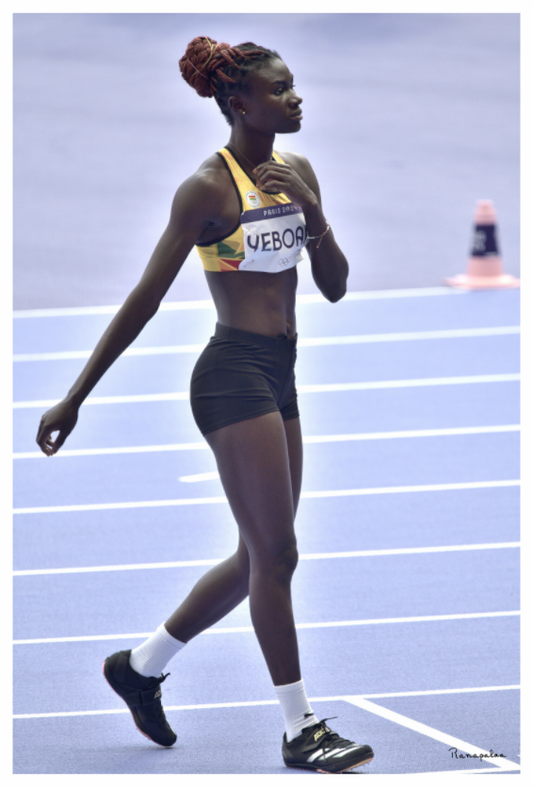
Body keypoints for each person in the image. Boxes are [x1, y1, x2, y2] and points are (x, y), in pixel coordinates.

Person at [36, 36, 374, 774]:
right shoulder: (206, 191)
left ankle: (142, 664)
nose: (295, 98)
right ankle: (301, 729)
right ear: (239, 103)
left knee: (260, 552)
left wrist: (312, 210)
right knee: (277, 553)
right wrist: (74, 396)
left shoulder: (298, 172)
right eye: (279, 89)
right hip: (231, 377)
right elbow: (144, 301)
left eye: (294, 86)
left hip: (281, 373)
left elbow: (336, 284)